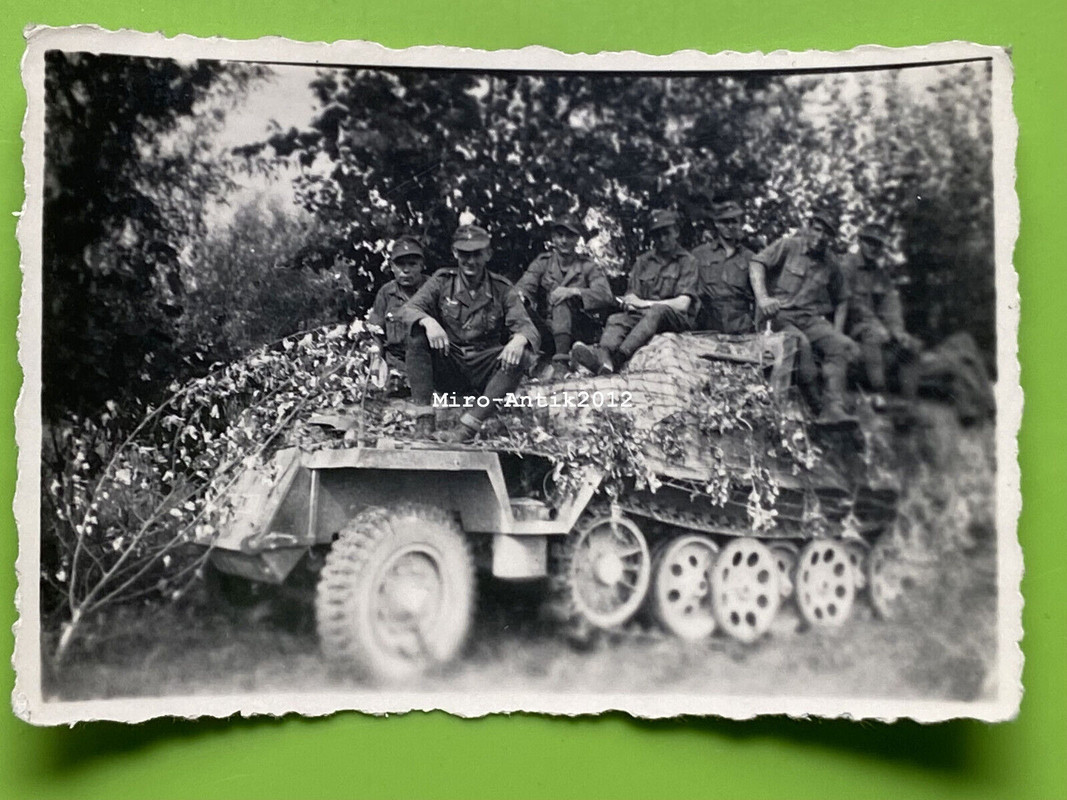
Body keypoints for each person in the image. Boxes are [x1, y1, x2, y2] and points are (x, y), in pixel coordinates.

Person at [401, 223, 540, 442]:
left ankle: (467, 427)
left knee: (521, 354)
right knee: (417, 334)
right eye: (465, 255)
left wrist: (519, 340)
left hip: (485, 368)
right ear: (455, 253)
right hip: (451, 363)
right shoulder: (442, 281)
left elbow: (527, 326)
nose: (471, 261)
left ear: (488, 254)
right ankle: (424, 420)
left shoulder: (502, 288)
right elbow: (409, 309)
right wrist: (429, 321)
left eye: (477, 254)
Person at [748, 210, 857, 425]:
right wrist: (763, 299)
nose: (821, 236)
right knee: (801, 344)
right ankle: (817, 407)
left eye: (827, 233)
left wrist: (837, 330)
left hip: (810, 319)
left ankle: (834, 408)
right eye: (817, 229)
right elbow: (756, 263)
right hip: (779, 316)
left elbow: (842, 298)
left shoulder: (831, 263)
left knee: (841, 345)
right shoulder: (789, 246)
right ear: (808, 227)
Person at [570, 209, 699, 375]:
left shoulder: (687, 261)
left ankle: (618, 358)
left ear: (676, 232)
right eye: (657, 235)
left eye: (666, 233)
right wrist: (631, 304)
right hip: (644, 317)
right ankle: (603, 356)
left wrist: (645, 304)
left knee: (657, 311)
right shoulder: (644, 261)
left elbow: (683, 304)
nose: (662, 239)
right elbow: (632, 296)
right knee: (616, 319)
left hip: (676, 318)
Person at [515, 214, 613, 378]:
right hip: (548, 329)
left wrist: (573, 292)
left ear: (577, 239)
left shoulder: (588, 266)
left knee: (562, 299)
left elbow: (605, 295)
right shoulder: (543, 263)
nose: (564, 240)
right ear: (553, 237)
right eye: (559, 235)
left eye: (569, 236)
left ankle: (561, 362)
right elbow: (525, 286)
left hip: (579, 329)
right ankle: (539, 360)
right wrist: (521, 297)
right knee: (517, 305)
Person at [840, 222, 922, 399]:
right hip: (850, 327)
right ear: (860, 241)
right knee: (873, 334)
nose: (873, 248)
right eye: (869, 242)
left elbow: (890, 306)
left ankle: (909, 404)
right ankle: (879, 393)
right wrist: (876, 325)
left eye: (878, 244)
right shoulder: (847, 267)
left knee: (912, 346)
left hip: (877, 329)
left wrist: (898, 331)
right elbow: (850, 303)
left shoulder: (881, 275)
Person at [365, 235, 429, 392]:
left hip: (429, 365)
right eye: (400, 265)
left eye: (412, 264)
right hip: (396, 366)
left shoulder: (433, 289)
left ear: (422, 265)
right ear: (392, 267)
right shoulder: (386, 293)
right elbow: (376, 334)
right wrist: (375, 362)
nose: (406, 270)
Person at [690, 200, 757, 333]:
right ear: (717, 223)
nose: (730, 226)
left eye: (734, 221)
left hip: (741, 324)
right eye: (725, 222)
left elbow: (758, 297)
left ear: (740, 224)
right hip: (707, 324)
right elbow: (689, 290)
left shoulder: (750, 257)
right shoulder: (699, 254)